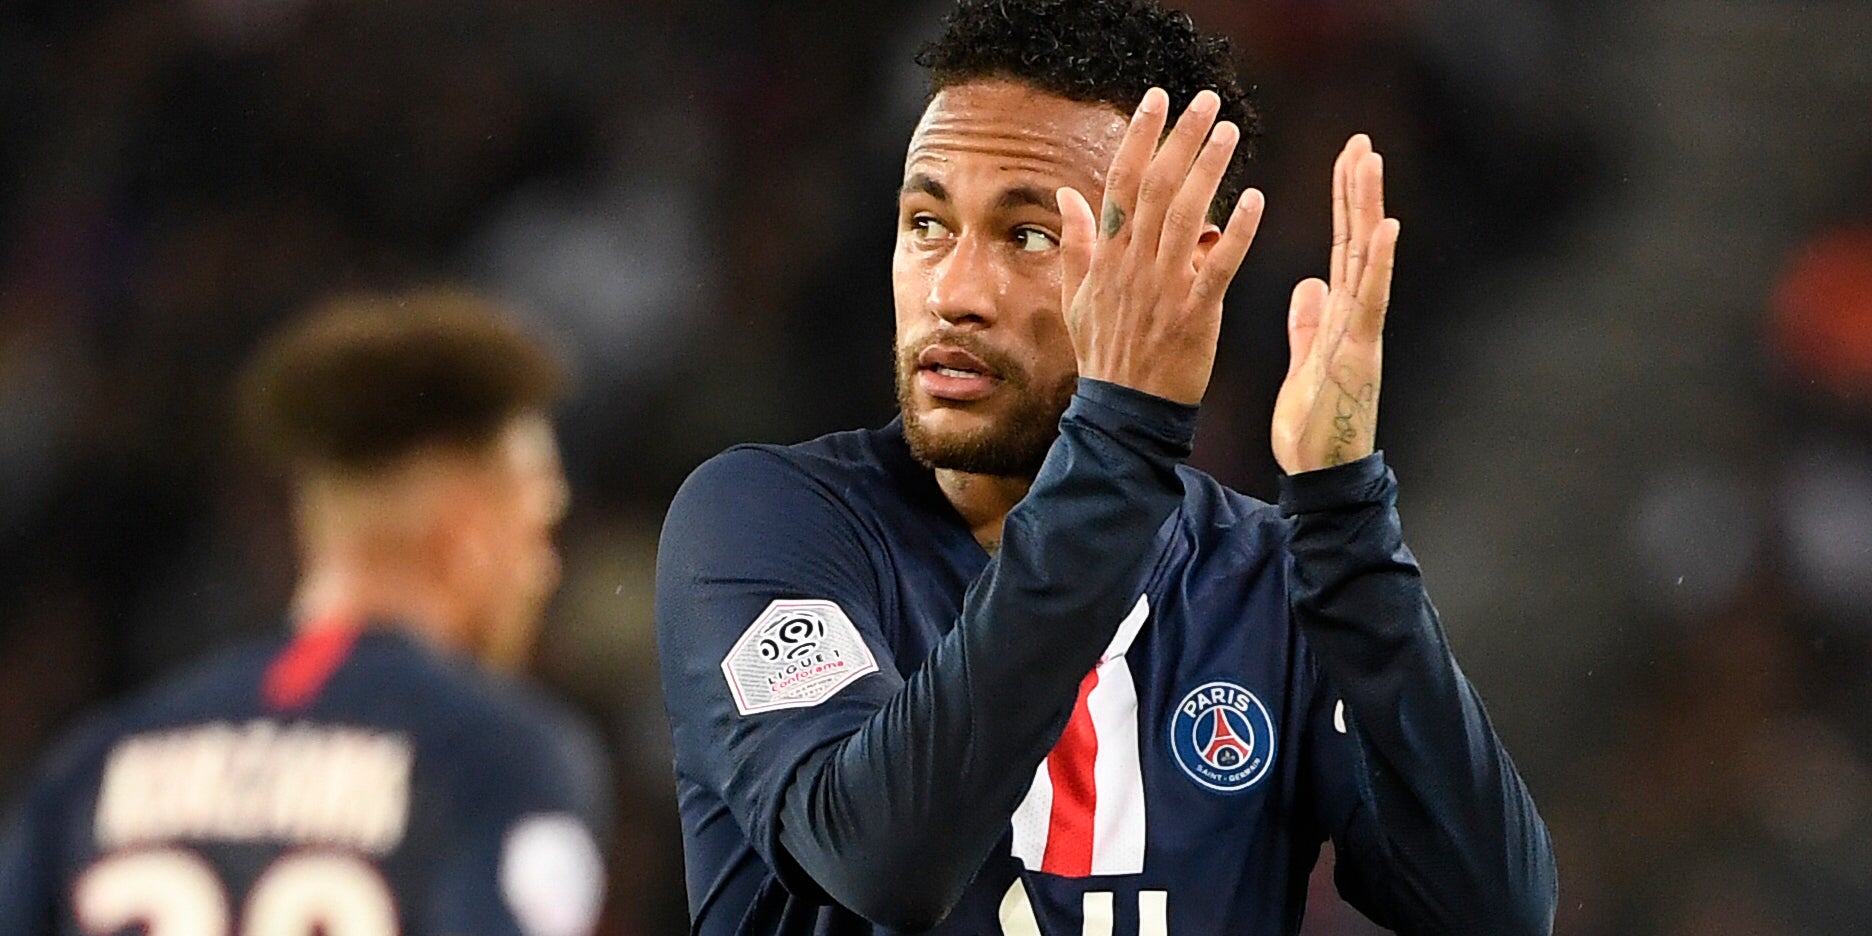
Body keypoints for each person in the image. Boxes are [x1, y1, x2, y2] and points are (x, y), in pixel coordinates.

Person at [655, 0, 1557, 933]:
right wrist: (1124, 432)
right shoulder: (769, 525)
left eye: (1029, 237)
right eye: (927, 223)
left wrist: (1346, 519)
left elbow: (1495, 909)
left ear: (1185, 272)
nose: (955, 292)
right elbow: (882, 858)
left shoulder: (1267, 580)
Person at [0, 291, 610, 936]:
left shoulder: (94, 766)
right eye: (539, 528)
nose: (547, 571)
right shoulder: (497, 759)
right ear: (466, 535)